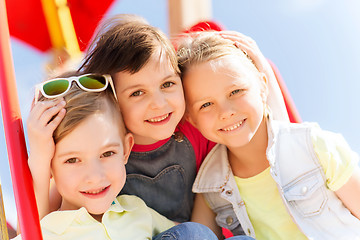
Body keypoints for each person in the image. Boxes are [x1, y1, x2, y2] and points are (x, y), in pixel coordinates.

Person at [77, 14, 289, 227]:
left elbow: (278, 143)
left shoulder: (196, 126)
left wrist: (264, 71)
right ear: (112, 99)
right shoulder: (103, 148)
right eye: (137, 93)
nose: (159, 104)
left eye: (167, 84)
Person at [176, 31, 360, 239]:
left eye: (236, 91)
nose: (226, 112)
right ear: (191, 119)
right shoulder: (210, 187)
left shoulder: (314, 145)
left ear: (263, 87)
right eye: (206, 104)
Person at [18, 72, 218, 240]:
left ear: (126, 149)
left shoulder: (136, 211)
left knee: (196, 233)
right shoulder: (46, 230)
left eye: (107, 153)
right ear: (49, 166)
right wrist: (38, 159)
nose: (95, 176)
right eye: (72, 160)